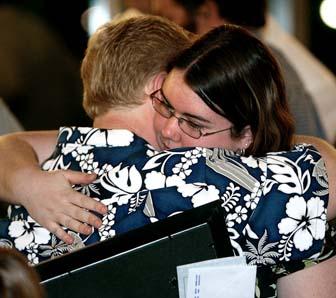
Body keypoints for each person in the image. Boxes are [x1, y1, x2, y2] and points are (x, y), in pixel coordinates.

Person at [0, 16, 335, 297]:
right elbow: (325, 172)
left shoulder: (37, 182)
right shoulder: (210, 178)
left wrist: (21, 177)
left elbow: (15, 142)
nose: (176, 129)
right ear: (161, 83)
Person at [153, 0, 327, 140]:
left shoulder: (256, 72)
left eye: (170, 18)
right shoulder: (268, 59)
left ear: (207, 10)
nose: (173, 33)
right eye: (167, 107)